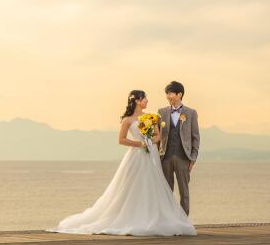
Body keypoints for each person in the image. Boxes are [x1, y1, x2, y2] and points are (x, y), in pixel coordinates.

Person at [48, 90, 196, 236]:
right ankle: (132, 217)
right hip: (136, 155)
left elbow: (158, 137)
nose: (147, 101)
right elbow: (121, 140)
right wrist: (140, 144)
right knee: (131, 186)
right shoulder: (127, 120)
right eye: (145, 98)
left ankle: (155, 216)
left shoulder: (151, 117)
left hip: (151, 155)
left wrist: (149, 141)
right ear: (137, 101)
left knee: (153, 185)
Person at [157, 80, 200, 215]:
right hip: (165, 158)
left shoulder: (191, 113)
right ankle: (168, 221)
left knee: (184, 193)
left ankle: (184, 223)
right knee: (166, 192)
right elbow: (157, 136)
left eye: (170, 93)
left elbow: (196, 137)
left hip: (183, 158)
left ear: (179, 94)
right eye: (166, 94)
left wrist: (192, 159)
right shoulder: (161, 112)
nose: (167, 96)